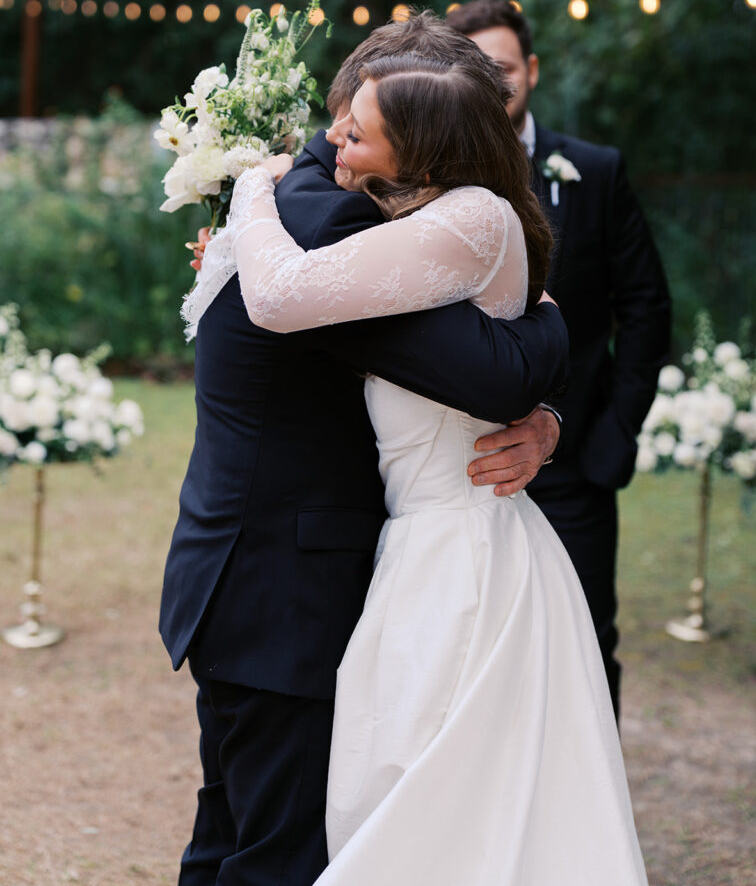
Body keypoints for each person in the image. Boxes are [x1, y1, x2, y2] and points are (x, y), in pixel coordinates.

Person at [208, 51, 648, 883]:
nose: (335, 134)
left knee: (432, 808)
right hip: (426, 546)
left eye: (361, 129)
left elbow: (281, 296)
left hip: (462, 557)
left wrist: (247, 191)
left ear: (425, 150)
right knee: (416, 800)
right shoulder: (432, 220)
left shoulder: (471, 218)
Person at [447, 0, 671, 717]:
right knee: (471, 651)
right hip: (460, 468)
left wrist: (613, 433)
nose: (495, 89)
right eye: (477, 76)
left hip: (575, 466)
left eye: (505, 71)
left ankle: (588, 817)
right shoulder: (428, 178)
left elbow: (646, 308)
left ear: (532, 70)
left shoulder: (595, 172)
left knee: (581, 642)